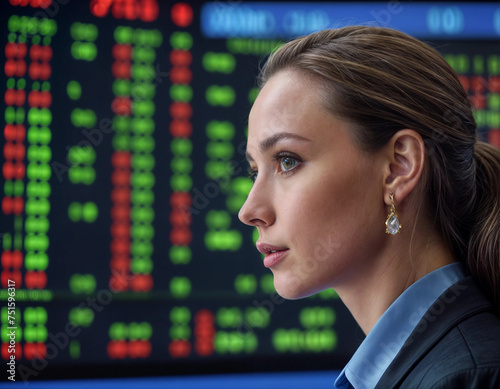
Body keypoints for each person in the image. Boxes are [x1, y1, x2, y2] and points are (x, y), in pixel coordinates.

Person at [238, 26, 500, 388]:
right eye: (255, 171)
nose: (249, 210)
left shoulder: (469, 377)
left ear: (398, 168)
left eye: (287, 161)